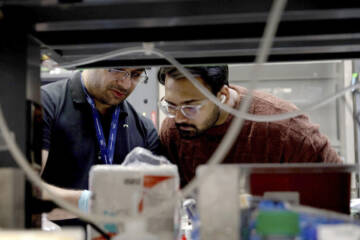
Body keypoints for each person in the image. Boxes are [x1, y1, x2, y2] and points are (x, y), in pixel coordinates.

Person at [158, 65, 342, 187]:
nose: (179, 117)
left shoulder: (283, 127)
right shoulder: (174, 131)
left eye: (191, 107)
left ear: (222, 96)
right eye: (171, 106)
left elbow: (336, 183)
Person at [40, 68, 161, 224]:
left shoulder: (144, 128)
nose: (125, 84)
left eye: (136, 74)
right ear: (94, 58)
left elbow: (158, 205)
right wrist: (89, 203)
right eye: (118, 70)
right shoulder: (45, 103)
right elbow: (21, 193)